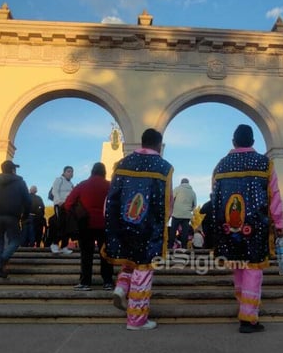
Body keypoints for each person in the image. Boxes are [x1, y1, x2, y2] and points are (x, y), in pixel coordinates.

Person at [211, 124, 283, 333]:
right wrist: (278, 223)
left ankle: (243, 306)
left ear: (233, 141)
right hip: (256, 226)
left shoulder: (221, 165)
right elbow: (275, 196)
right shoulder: (264, 163)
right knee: (253, 269)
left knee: (238, 266)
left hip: (228, 227)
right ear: (253, 142)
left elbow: (214, 197)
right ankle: (248, 316)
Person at [102, 128, 173, 330]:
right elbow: (166, 203)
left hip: (122, 224)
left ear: (142, 142)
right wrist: (163, 224)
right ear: (159, 144)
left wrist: (112, 223)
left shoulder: (122, 164)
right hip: (148, 227)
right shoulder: (164, 167)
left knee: (128, 262)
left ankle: (121, 288)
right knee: (143, 269)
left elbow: (112, 197)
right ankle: (136, 319)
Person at [64, 162, 114, 291]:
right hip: (105, 224)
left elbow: (68, 203)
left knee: (86, 254)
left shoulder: (82, 185)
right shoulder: (110, 186)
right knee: (106, 254)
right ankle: (108, 282)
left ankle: (85, 282)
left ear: (92, 171)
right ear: (104, 172)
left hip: (85, 224)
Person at [0, 159, 31, 278]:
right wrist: (24, 215)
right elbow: (28, 201)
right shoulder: (20, 183)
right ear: (13, 170)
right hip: (12, 217)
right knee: (15, 240)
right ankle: (3, 258)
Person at [49, 165, 75, 254]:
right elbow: (54, 191)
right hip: (60, 205)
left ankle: (64, 246)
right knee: (59, 225)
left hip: (69, 207)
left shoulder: (71, 184)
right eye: (68, 171)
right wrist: (59, 201)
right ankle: (54, 244)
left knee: (67, 227)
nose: (70, 173)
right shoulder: (59, 179)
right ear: (64, 172)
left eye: (72, 172)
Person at [170, 177, 197, 249]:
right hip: (186, 215)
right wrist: (189, 210)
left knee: (173, 230)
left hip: (176, 213)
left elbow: (171, 198)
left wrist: (172, 209)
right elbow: (194, 205)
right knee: (185, 232)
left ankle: (170, 246)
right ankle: (184, 246)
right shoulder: (193, 192)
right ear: (188, 183)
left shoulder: (177, 189)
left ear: (181, 183)